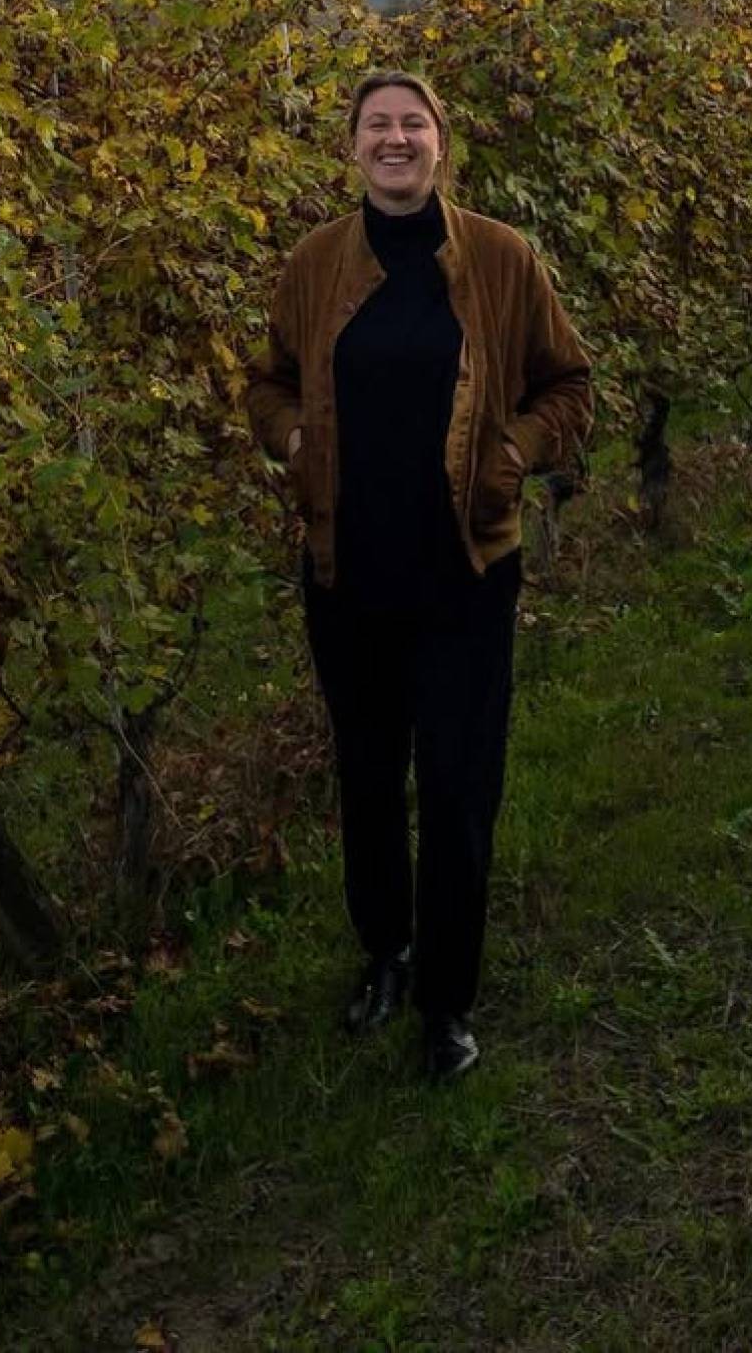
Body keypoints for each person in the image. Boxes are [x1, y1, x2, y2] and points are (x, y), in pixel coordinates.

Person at [246, 70, 592, 1081]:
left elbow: (567, 385)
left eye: (414, 124)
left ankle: (447, 998)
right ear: (352, 148)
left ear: (443, 144)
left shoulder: (500, 257)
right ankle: (385, 955)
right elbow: (264, 379)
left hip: (466, 575)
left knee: (456, 787)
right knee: (366, 779)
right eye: (376, 126)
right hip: (347, 574)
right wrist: (292, 434)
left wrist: (517, 451)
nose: (395, 140)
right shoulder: (314, 265)